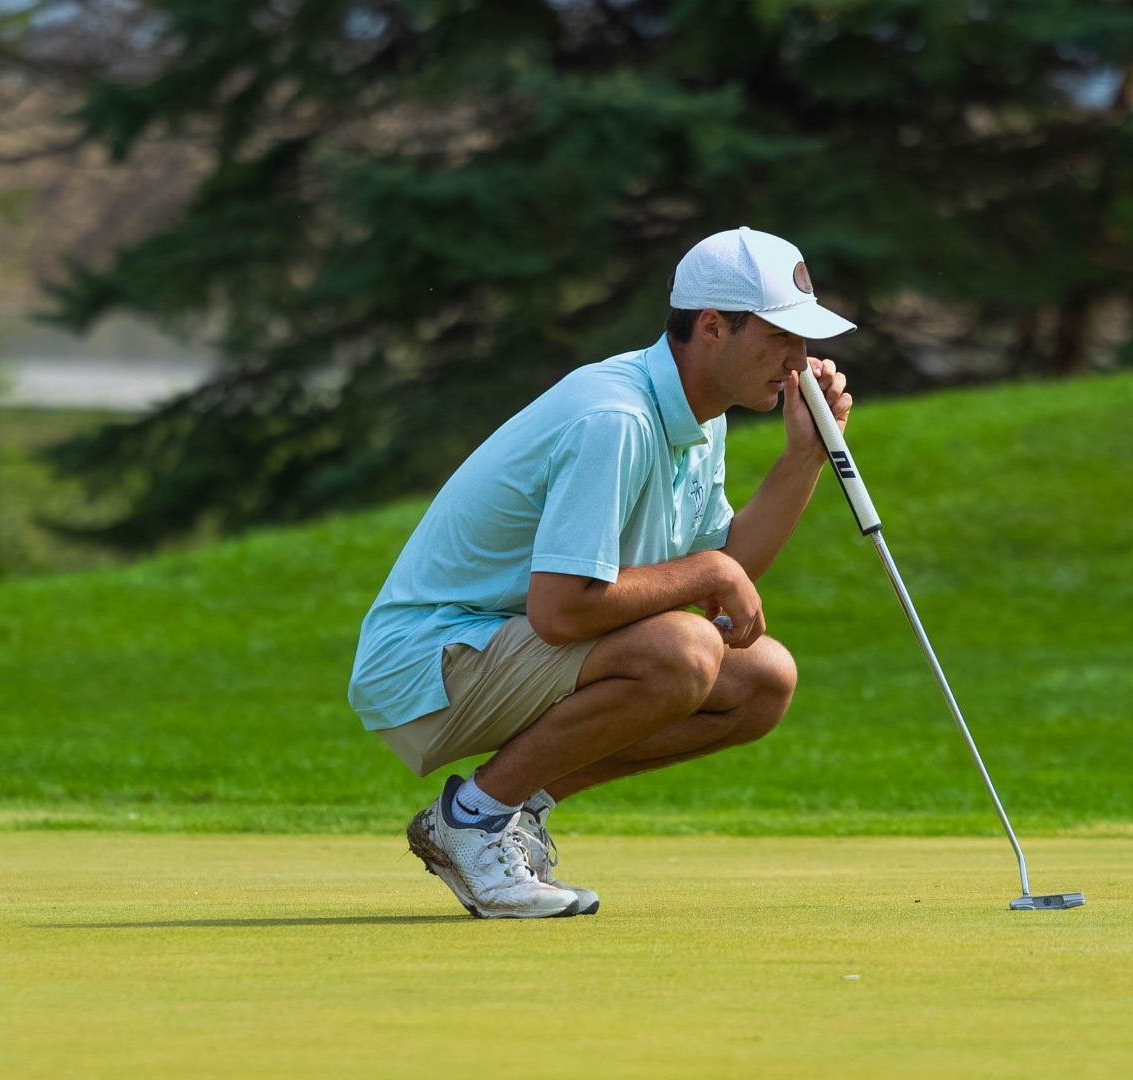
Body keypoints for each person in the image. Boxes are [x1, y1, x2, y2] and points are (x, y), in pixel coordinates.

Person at [347, 227, 856, 918]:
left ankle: (507, 808)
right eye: (780, 337)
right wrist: (708, 571)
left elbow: (730, 569)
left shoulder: (700, 421)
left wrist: (803, 457)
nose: (801, 360)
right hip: (426, 663)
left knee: (762, 681)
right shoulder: (614, 417)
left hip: (498, 648)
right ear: (713, 327)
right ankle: (473, 821)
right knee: (684, 649)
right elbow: (563, 612)